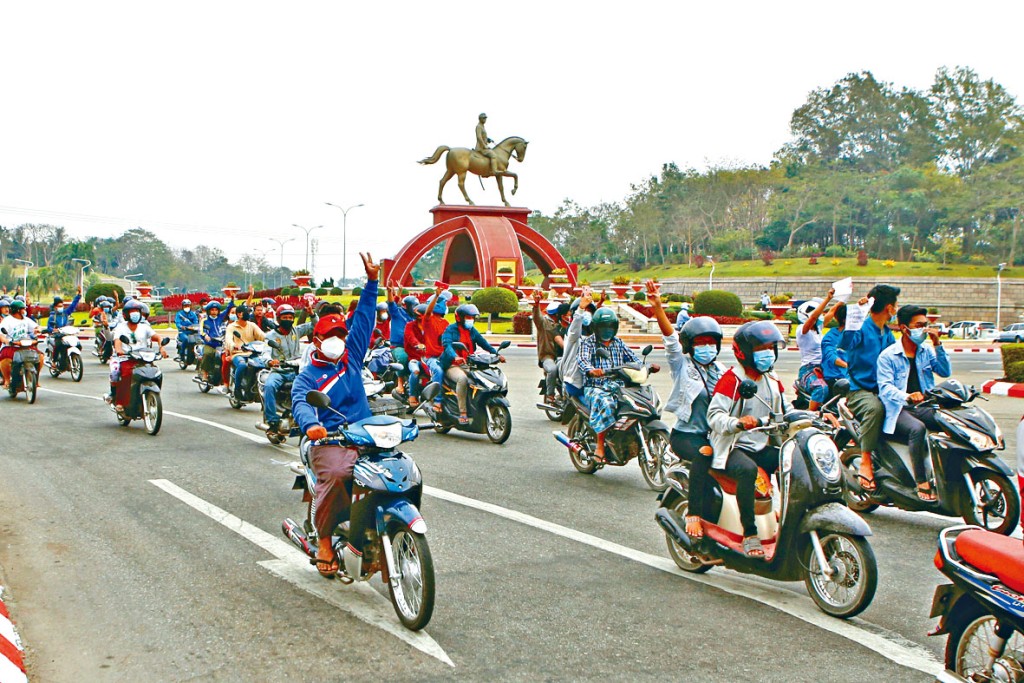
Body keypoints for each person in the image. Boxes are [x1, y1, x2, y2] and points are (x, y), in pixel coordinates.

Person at [291, 253, 380, 578]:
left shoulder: (351, 359)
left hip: (366, 435)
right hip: (329, 441)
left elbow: (365, 320)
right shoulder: (308, 376)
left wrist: (372, 283)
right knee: (341, 474)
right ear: (317, 340)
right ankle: (326, 540)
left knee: (400, 472)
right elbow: (301, 403)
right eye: (331, 336)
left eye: (341, 335)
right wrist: (312, 424)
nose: (339, 341)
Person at [648, 280, 724, 539]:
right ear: (691, 344)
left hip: (718, 435)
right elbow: (670, 341)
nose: (707, 347)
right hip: (688, 436)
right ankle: (693, 514)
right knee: (704, 455)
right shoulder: (684, 365)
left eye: (711, 342)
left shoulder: (722, 371)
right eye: (701, 342)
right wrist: (658, 309)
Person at [707, 321, 787, 558]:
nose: (768, 353)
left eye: (771, 347)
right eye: (762, 348)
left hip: (761, 444)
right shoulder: (732, 380)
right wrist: (738, 423)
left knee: (791, 460)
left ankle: (787, 516)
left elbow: (785, 409)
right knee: (747, 471)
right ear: (745, 352)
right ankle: (750, 533)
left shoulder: (772, 380)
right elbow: (714, 416)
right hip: (733, 446)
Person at [877, 305, 951, 501]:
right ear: (904, 328)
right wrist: (907, 396)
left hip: (924, 406)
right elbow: (885, 388)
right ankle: (921, 481)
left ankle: (948, 473)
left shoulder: (926, 351)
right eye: (919, 325)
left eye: (926, 325)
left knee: (950, 422)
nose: (924, 330)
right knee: (917, 430)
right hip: (899, 408)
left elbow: (944, 372)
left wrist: (937, 344)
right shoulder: (888, 356)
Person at [841, 284, 900, 492]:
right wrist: (856, 316)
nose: (897, 309)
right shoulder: (863, 328)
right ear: (889, 308)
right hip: (860, 390)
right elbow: (846, 342)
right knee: (875, 409)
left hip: (885, 388)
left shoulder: (887, 333)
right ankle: (865, 461)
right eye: (896, 305)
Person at [578, 307, 641, 462]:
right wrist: (592, 370)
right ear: (596, 328)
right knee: (606, 403)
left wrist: (645, 367)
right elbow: (582, 360)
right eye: (603, 327)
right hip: (596, 387)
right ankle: (600, 445)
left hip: (618, 385)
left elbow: (634, 359)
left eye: (610, 327)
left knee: (638, 402)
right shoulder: (588, 343)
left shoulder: (618, 343)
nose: (607, 330)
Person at [440, 303, 503, 424]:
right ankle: (462, 412)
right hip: (452, 365)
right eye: (468, 317)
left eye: (472, 318)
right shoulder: (450, 330)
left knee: (481, 378)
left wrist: (496, 354)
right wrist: (455, 356)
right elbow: (447, 346)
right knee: (462, 379)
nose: (471, 320)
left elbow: (483, 343)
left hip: (468, 364)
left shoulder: (471, 330)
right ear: (459, 317)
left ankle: (478, 405)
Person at [261, 302, 317, 432]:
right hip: (280, 371)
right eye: (284, 318)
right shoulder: (271, 336)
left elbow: (316, 325)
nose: (288, 320)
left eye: (290, 318)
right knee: (269, 386)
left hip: (297, 369)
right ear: (278, 319)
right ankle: (272, 420)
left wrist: (312, 313)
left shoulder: (296, 331)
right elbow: (266, 352)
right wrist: (270, 361)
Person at [106, 300, 166, 405]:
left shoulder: (144, 327)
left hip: (143, 359)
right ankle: (120, 402)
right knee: (125, 375)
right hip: (126, 358)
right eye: (132, 311)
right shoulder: (120, 327)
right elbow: (117, 341)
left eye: (137, 311)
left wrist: (162, 348)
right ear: (125, 315)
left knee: (155, 373)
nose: (135, 314)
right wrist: (119, 350)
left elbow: (157, 337)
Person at [794, 289, 835, 410]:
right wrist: (828, 299)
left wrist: (843, 298)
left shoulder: (818, 329)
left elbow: (833, 312)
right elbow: (813, 317)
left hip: (823, 367)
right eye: (819, 314)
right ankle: (810, 415)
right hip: (808, 370)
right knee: (821, 388)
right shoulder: (802, 330)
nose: (821, 316)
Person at [560, 288, 597, 399]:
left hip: (593, 382)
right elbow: (576, 325)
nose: (587, 313)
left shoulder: (596, 335)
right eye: (584, 310)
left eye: (589, 310)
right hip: (575, 381)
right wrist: (581, 308)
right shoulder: (573, 334)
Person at [532, 290, 567, 404]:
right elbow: (537, 318)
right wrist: (536, 305)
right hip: (548, 356)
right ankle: (550, 395)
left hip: (563, 356)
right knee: (552, 369)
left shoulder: (564, 324)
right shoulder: (544, 323)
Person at [224, 305, 266, 399]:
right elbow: (228, 340)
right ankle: (237, 389)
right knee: (242, 365)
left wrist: (271, 339)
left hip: (252, 353)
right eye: (246, 312)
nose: (248, 314)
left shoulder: (252, 325)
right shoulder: (231, 327)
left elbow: (262, 336)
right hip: (238, 353)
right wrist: (234, 345)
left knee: (263, 365)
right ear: (239, 314)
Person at [421, 288, 453, 411]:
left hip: (445, 356)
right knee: (438, 371)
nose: (446, 306)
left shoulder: (445, 323)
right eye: (444, 304)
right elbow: (428, 312)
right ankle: (437, 401)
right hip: (432, 358)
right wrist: (436, 296)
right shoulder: (428, 320)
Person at [0, 300, 41, 387]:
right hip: (11, 346)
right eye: (22, 309)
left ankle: (35, 379)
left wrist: (38, 329)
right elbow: (1, 335)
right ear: (17, 310)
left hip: (24, 344)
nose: (24, 311)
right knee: (5, 360)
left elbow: (35, 327)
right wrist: (6, 340)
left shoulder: (26, 320)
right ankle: (7, 380)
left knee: (40, 357)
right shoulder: (7, 321)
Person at [199, 299, 232, 384]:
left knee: (226, 358)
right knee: (207, 354)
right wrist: (206, 336)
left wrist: (232, 298)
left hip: (220, 344)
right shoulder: (204, 320)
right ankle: (205, 374)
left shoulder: (221, 318)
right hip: (210, 344)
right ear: (209, 311)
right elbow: (201, 331)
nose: (214, 312)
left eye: (216, 310)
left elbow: (229, 308)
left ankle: (223, 376)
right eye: (212, 310)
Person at [402, 303, 428, 407]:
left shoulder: (430, 327)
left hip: (428, 358)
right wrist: (418, 345)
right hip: (414, 358)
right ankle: (412, 395)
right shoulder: (410, 326)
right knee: (415, 371)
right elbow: (410, 337)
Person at [820, 302, 849, 392]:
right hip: (836, 378)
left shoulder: (857, 335)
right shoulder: (830, 337)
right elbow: (831, 357)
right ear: (844, 320)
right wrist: (848, 366)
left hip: (853, 377)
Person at [474, 112, 499, 177]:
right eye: (484, 118)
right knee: (493, 155)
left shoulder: (482, 126)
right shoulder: (478, 126)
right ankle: (494, 171)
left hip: (484, 146)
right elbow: (479, 137)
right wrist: (485, 145)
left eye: (485, 118)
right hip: (481, 147)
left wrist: (488, 139)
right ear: (480, 119)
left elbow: (483, 136)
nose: (485, 120)